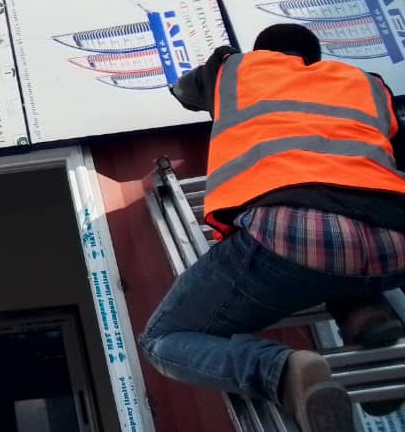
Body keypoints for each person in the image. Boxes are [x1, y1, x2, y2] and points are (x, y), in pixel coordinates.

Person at [139, 23, 405, 431]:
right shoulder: (368, 85)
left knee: (161, 339)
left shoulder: (235, 69)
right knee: (342, 244)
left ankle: (284, 373)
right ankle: (365, 317)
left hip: (292, 230)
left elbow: (184, 91)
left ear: (263, 52)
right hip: (394, 239)